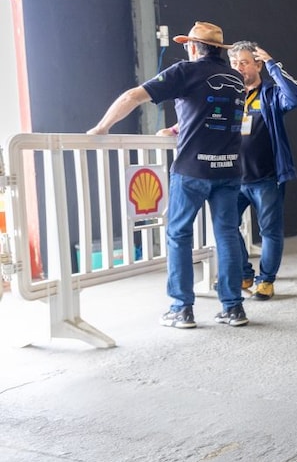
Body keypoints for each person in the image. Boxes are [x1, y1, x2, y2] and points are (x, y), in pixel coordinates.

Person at [87, 21, 248, 328]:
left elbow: (132, 96)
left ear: (192, 46)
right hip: (229, 168)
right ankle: (233, 307)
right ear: (220, 50)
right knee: (226, 234)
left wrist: (101, 128)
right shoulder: (236, 78)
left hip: (193, 170)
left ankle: (181, 308)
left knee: (179, 234)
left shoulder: (185, 71)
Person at [226, 41, 297, 301]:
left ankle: (266, 281)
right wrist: (174, 130)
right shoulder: (229, 95)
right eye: (234, 63)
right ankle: (244, 272)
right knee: (226, 225)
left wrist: (273, 65)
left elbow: (296, 97)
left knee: (269, 231)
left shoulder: (271, 94)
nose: (238, 68)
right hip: (233, 178)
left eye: (244, 62)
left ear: (258, 64)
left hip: (267, 178)